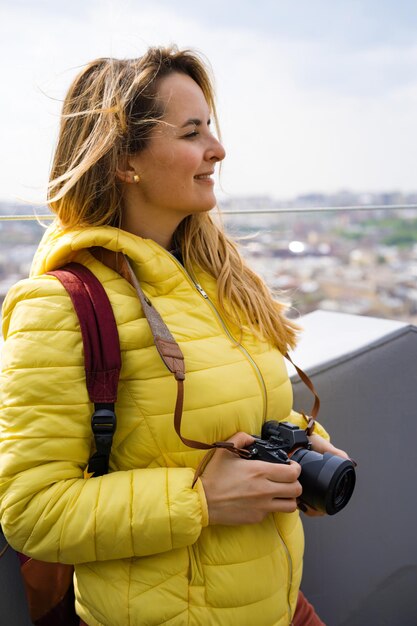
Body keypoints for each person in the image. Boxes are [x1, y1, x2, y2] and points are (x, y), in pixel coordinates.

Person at [0, 46, 349, 626]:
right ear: (124, 160)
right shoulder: (61, 306)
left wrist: (298, 448)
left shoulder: (218, 281)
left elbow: (234, 415)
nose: (218, 148)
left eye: (209, 127)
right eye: (192, 132)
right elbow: (32, 513)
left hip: (279, 605)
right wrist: (199, 500)